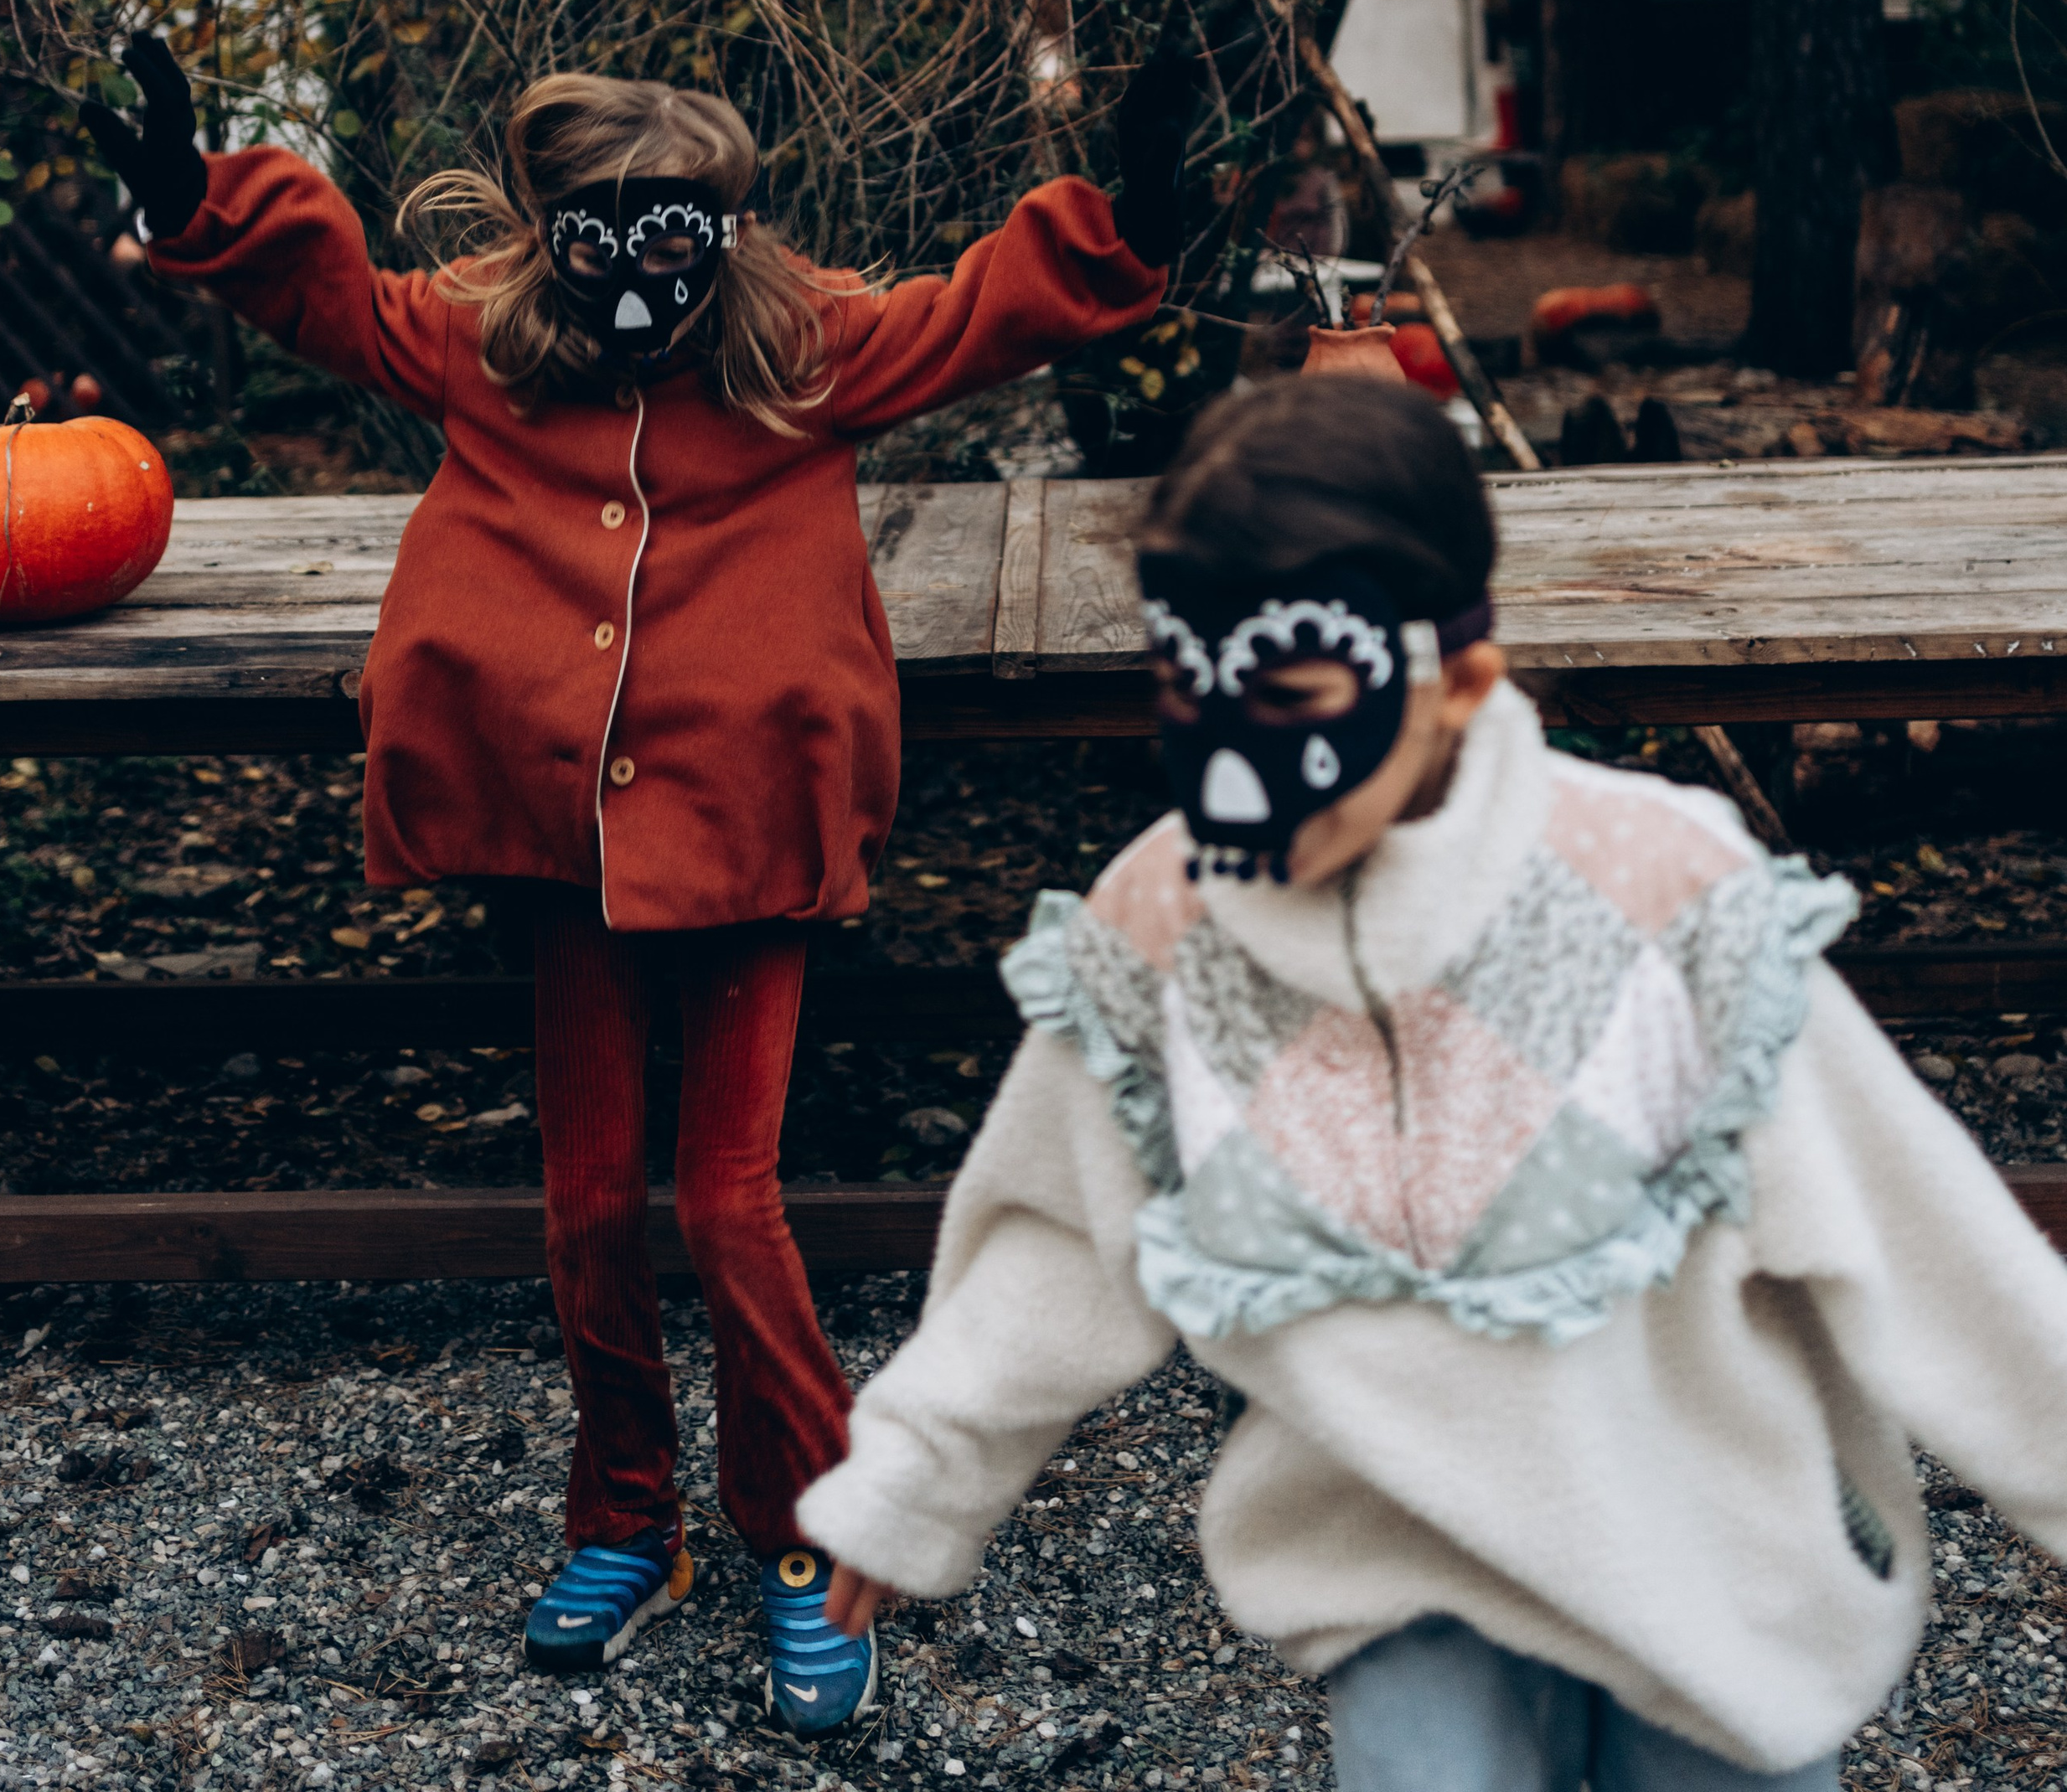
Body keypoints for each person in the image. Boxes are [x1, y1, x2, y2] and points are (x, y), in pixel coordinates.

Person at [81, 36, 1196, 1734]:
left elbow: (989, 309)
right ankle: (625, 1515)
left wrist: (1126, 222)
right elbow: (328, 302)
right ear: (550, 227)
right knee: (589, 1199)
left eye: (676, 230)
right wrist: (191, 198)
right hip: (560, 841)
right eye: (602, 229)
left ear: (726, 227)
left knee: (726, 1196)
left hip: (744, 831)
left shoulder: (799, 347)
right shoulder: (486, 343)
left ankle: (822, 1539)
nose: (640, 268)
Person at [799, 374, 2067, 1792]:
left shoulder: (1668, 895)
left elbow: (1913, 1225)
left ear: (1457, 682)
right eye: (1188, 695)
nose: (1233, 770)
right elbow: (1053, 1241)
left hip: (1700, 1536)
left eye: (1291, 702)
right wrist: (912, 1482)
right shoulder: (1161, 930)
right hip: (1402, 1555)